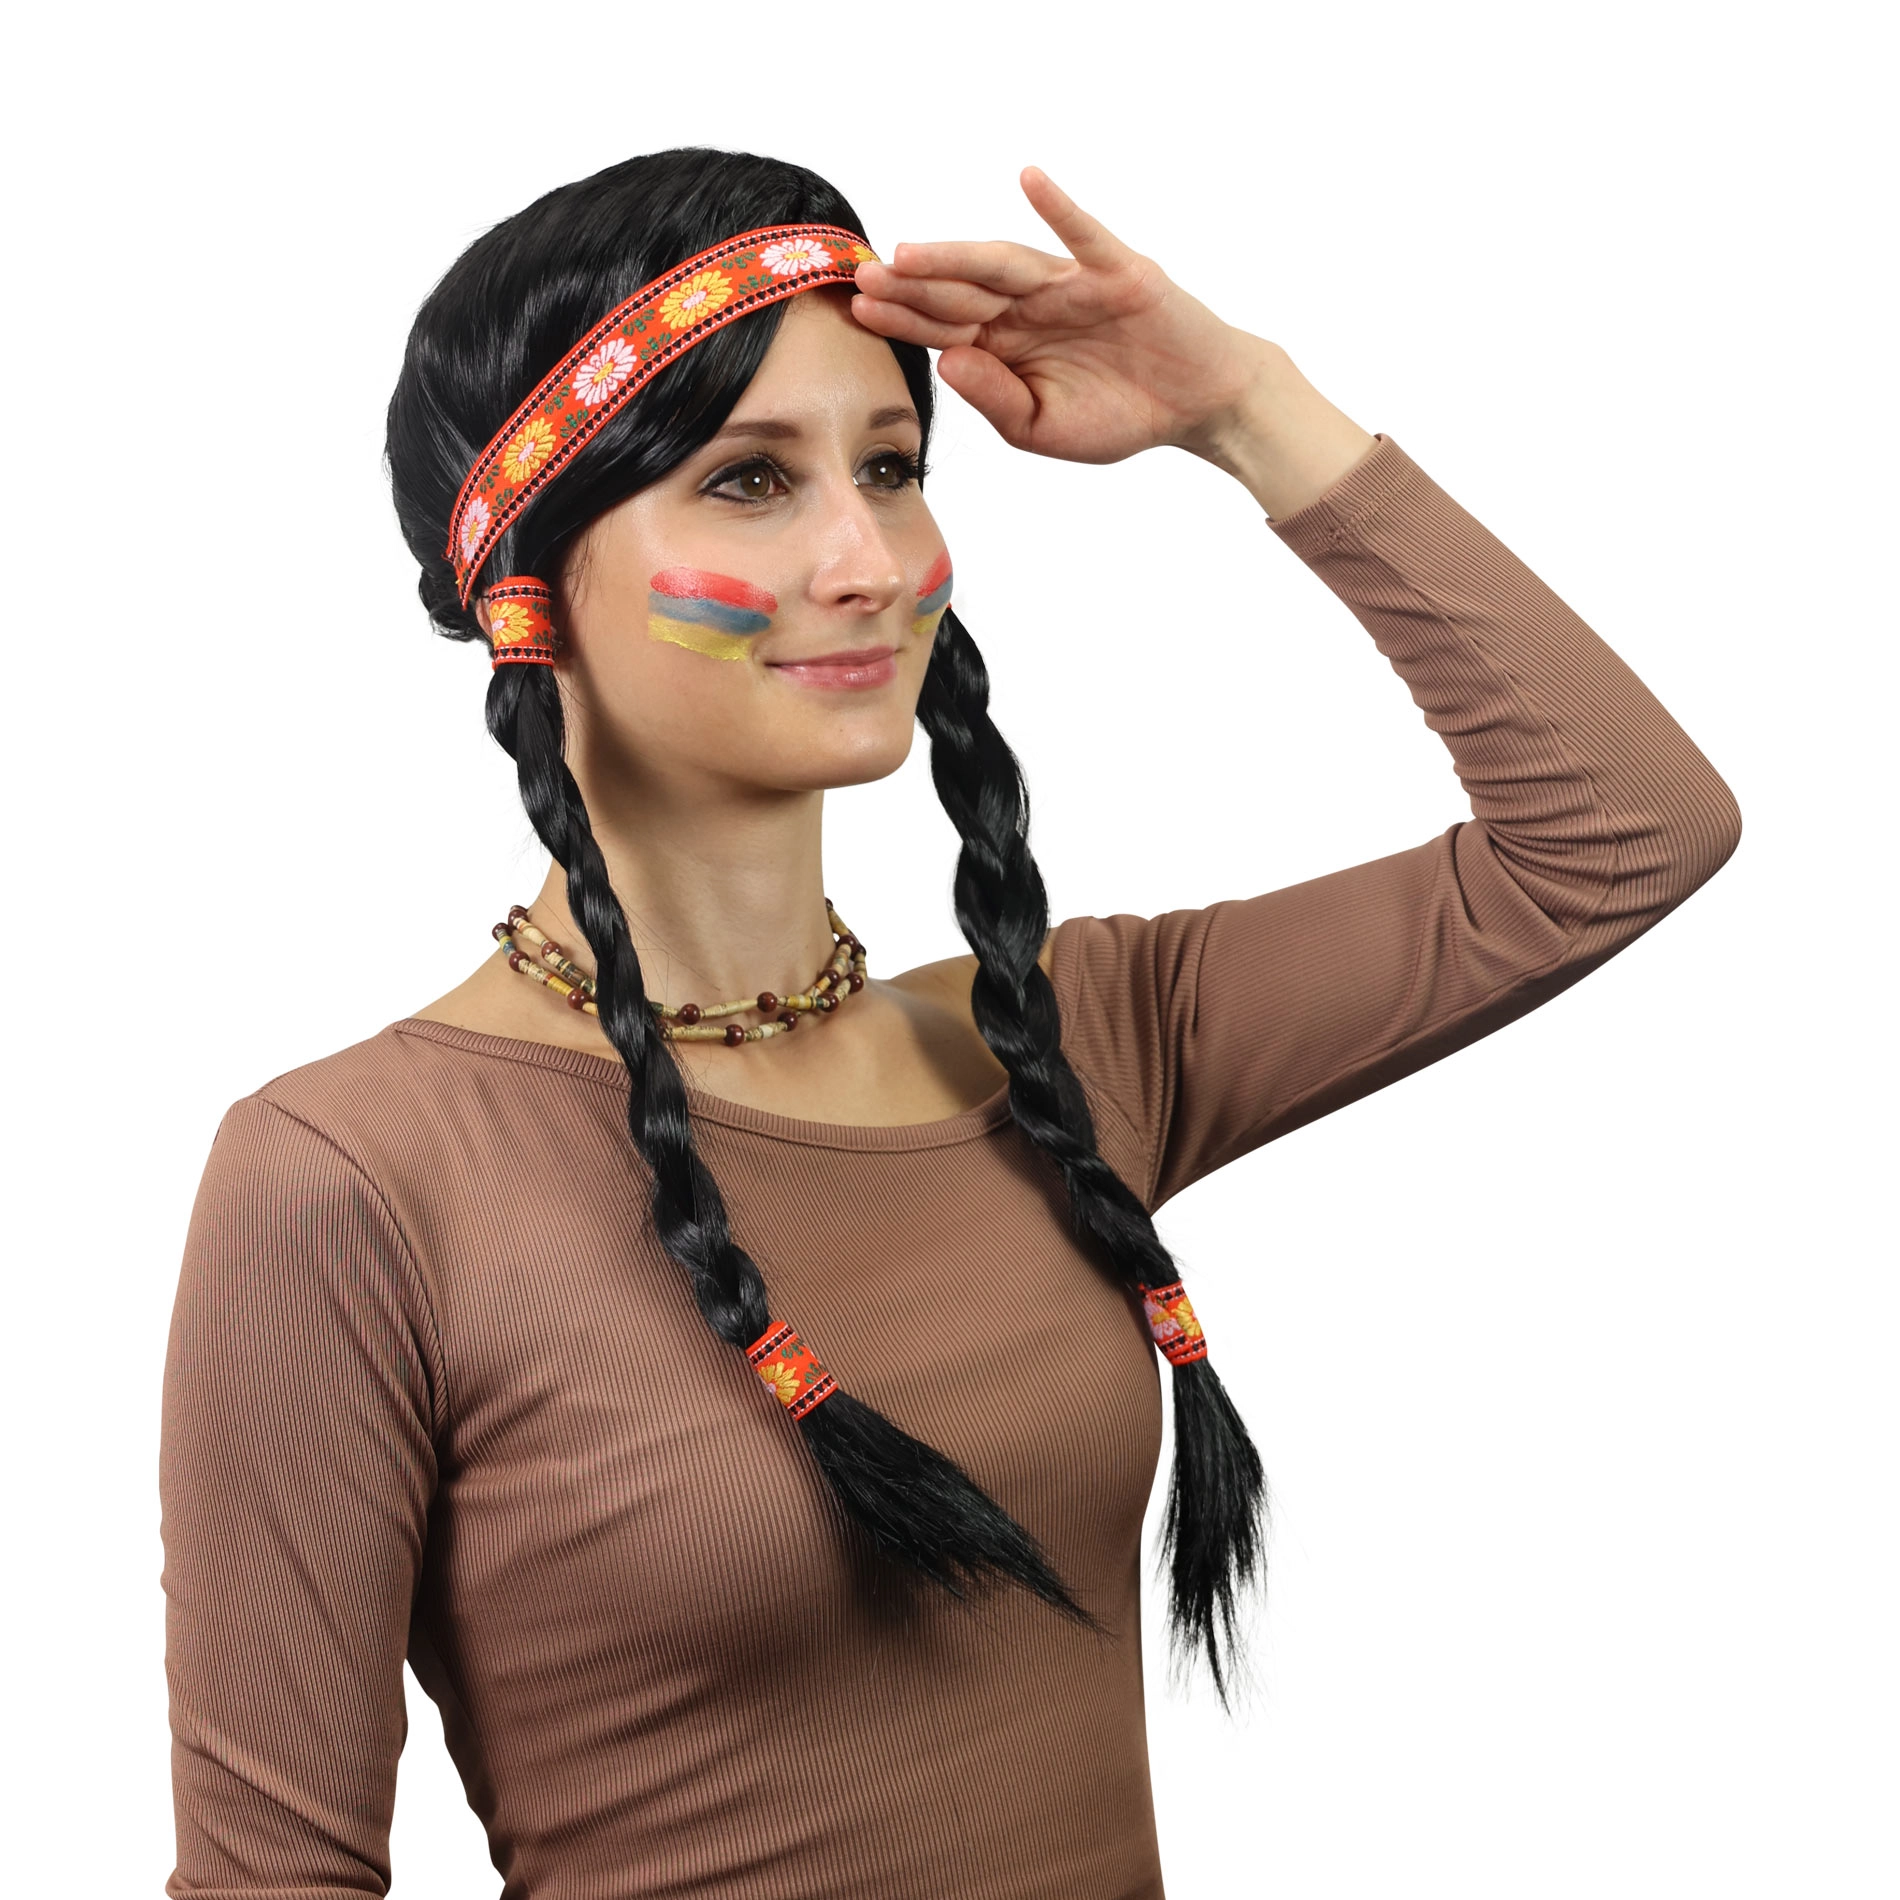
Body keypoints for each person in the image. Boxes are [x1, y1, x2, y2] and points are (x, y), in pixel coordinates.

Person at [159, 147, 1741, 1900]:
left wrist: (1247, 411)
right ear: (525, 582)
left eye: (893, 468)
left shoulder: (1065, 1048)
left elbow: (1620, 834)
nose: (869, 560)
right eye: (751, 480)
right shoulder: (354, 1179)